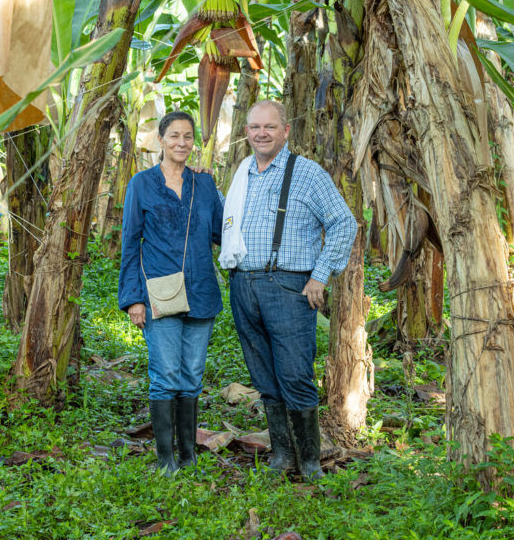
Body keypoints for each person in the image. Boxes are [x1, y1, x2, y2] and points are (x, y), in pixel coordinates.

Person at [222, 99, 357, 481]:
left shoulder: (307, 174)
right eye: (254, 127)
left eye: (269, 127)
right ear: (246, 131)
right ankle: (282, 456)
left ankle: (310, 462)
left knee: (295, 374)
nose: (261, 133)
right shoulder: (242, 172)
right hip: (244, 285)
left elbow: (344, 223)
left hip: (288, 286)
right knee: (264, 375)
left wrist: (319, 276)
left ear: (285, 131)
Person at [118, 111, 224, 475]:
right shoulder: (141, 184)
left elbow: (221, 232)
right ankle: (166, 461)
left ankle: (188, 455)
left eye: (188, 137)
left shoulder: (204, 184)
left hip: (201, 293)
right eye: (174, 136)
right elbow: (131, 242)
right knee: (165, 374)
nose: (182, 143)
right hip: (160, 295)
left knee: (192, 376)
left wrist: (219, 191)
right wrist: (133, 298)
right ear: (160, 139)